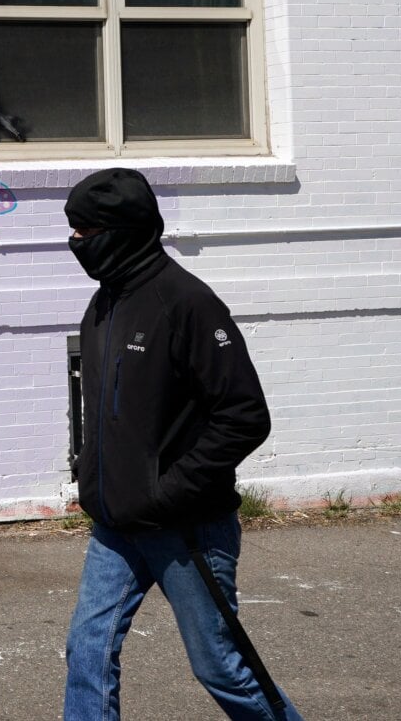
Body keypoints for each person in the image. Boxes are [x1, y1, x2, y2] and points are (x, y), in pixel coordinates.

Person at [62, 167, 303, 721]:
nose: (75, 244)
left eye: (84, 232)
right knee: (88, 654)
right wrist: (92, 476)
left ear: (121, 232)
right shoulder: (103, 307)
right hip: (116, 525)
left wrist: (167, 491)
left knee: (220, 664)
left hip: (186, 526)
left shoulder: (186, 303)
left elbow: (244, 416)